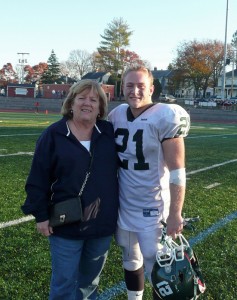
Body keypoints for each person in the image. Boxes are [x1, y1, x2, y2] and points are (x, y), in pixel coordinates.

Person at [21, 79, 119, 300]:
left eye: (93, 99)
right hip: (66, 223)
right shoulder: (54, 134)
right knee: (64, 284)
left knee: (89, 284)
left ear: (101, 107)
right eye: (81, 98)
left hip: (101, 224)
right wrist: (41, 216)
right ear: (71, 103)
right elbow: (37, 179)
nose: (87, 103)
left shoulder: (108, 132)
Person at [108, 66, 190, 300]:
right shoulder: (116, 114)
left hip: (154, 209)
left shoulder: (165, 115)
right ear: (122, 87)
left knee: (159, 265)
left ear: (151, 88)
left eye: (140, 86)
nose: (134, 91)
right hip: (125, 205)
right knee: (130, 258)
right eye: (129, 85)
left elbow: (177, 172)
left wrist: (176, 213)